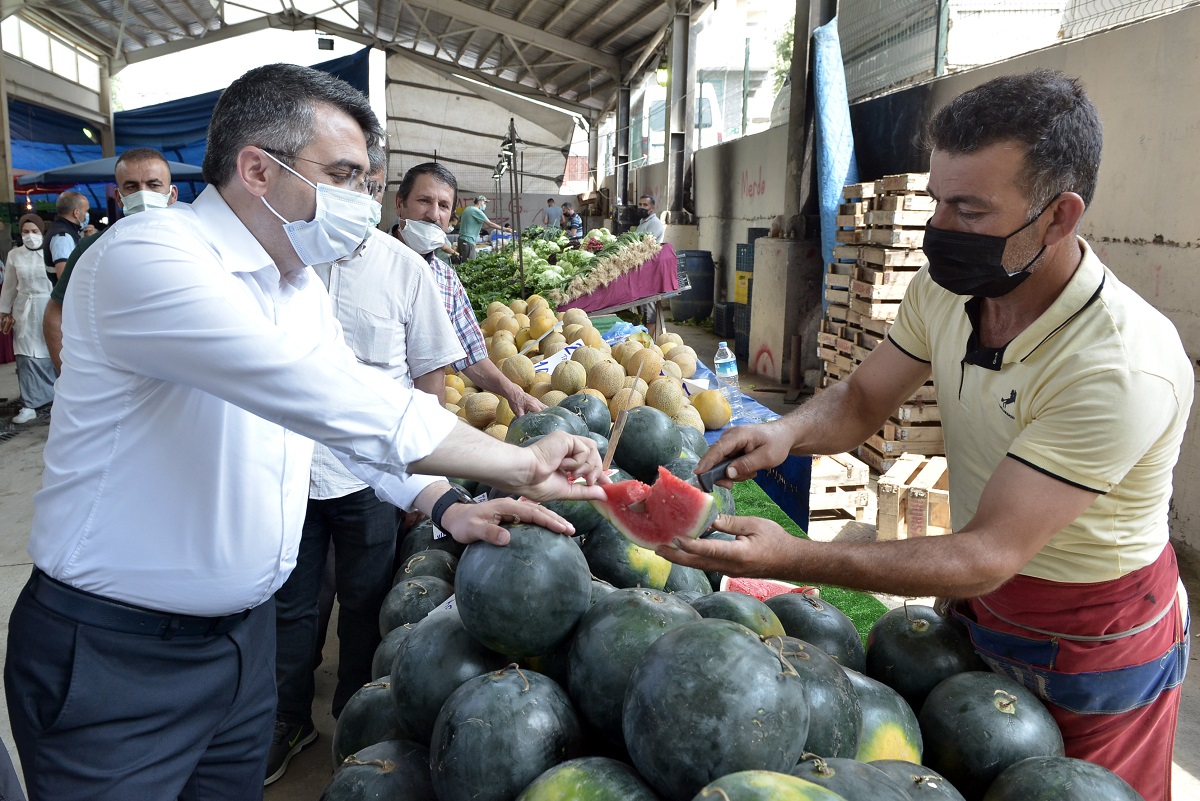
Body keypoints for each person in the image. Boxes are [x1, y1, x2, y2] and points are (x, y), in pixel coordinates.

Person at [4, 62, 604, 801]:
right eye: (345, 175)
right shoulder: (149, 259)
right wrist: (517, 462)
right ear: (257, 168)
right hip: (116, 659)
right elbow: (326, 395)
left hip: (240, 646)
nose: (362, 200)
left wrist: (445, 501)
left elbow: (345, 426)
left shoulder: (296, 289)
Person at [673, 71, 1190, 801]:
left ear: (1059, 215)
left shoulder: (1121, 364)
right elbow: (860, 397)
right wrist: (784, 432)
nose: (939, 228)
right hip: (981, 602)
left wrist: (800, 556)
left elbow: (987, 552)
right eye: (938, 199)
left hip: (1091, 637)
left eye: (970, 209)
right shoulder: (950, 289)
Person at [268, 151, 467, 785]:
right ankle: (287, 719)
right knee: (293, 607)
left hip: (372, 477)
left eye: (366, 182)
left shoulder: (409, 272)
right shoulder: (290, 259)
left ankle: (355, 715)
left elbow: (430, 378)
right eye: (345, 180)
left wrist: (426, 482)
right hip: (291, 473)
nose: (357, 193)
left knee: (363, 602)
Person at [395, 162, 544, 415]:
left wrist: (513, 393)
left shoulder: (446, 279)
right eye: (424, 200)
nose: (434, 214)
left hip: (428, 429)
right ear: (400, 203)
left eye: (443, 206)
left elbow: (471, 355)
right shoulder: (368, 262)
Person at [43, 147, 179, 370]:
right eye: (132, 187)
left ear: (172, 194)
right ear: (119, 196)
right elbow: (55, 312)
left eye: (154, 185)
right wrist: (67, 375)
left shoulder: (194, 243)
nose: (143, 194)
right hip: (118, 374)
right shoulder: (91, 247)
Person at [0, 214, 56, 424]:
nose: (30, 236)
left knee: (50, 353)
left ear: (42, 232)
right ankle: (29, 404)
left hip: (48, 307)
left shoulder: (51, 253)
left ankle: (56, 399)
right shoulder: (15, 255)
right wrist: (4, 310)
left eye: (34, 231)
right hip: (23, 309)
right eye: (25, 232)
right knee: (25, 356)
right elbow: (9, 285)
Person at [41, 191, 93, 281]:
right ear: (76, 213)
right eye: (86, 211)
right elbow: (64, 277)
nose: (87, 214)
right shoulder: (62, 237)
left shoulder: (65, 231)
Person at [634, 193, 666, 323]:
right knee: (641, 308)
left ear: (652, 208)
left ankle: (650, 340)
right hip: (641, 271)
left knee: (648, 309)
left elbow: (645, 246)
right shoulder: (642, 222)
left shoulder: (655, 224)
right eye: (640, 204)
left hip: (650, 271)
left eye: (645, 205)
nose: (642, 207)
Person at [456, 194, 509, 262]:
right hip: (468, 240)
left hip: (461, 239)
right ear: (479, 202)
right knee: (470, 263)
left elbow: (458, 222)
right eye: (484, 203)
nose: (485, 205)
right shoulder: (476, 211)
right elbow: (490, 224)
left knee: (462, 262)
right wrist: (505, 229)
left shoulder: (467, 209)